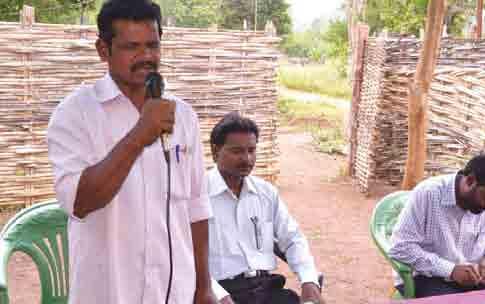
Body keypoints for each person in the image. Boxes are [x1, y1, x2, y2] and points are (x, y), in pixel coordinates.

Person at [47, 0, 216, 303]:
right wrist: (140, 134)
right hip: (108, 291)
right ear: (103, 50)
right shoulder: (75, 113)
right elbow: (80, 201)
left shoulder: (184, 115)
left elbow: (196, 206)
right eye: (131, 47)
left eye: (153, 45)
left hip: (174, 290)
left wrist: (204, 286)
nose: (146, 57)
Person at [206, 113, 326, 304]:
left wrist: (309, 281)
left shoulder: (266, 193)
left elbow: (292, 239)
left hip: (267, 289)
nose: (247, 159)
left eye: (251, 150)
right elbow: (186, 259)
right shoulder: (198, 197)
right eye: (237, 151)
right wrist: (218, 295)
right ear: (215, 151)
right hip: (220, 291)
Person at [388, 152, 485, 298]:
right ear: (470, 181)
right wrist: (450, 270)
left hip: (477, 277)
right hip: (428, 277)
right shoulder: (428, 194)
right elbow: (400, 247)